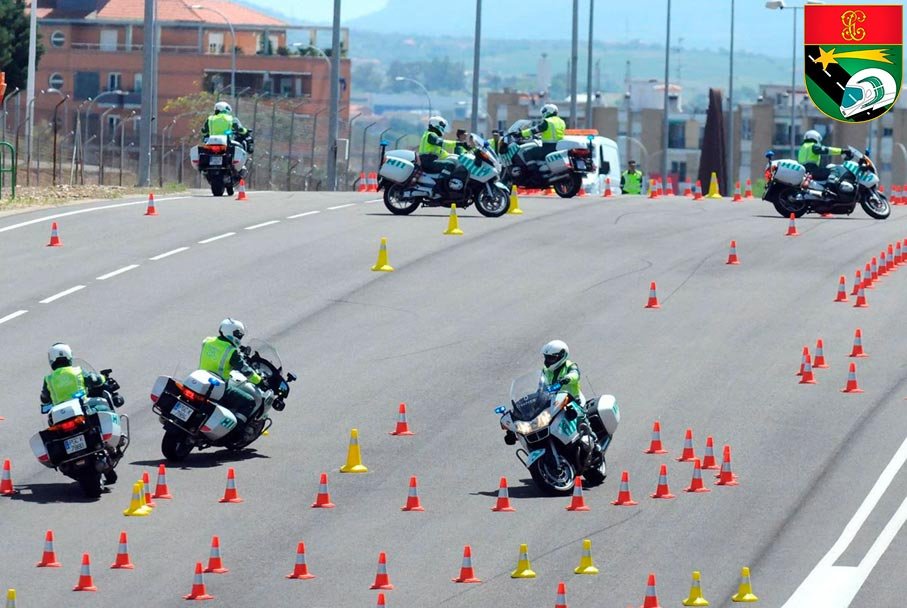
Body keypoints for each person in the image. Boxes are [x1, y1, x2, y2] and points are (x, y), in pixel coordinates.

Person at [198, 318, 267, 424]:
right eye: (239, 335)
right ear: (232, 333)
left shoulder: (207, 341)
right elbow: (246, 370)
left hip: (200, 379)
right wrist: (260, 381)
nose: (240, 338)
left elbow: (216, 355)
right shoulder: (231, 351)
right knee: (249, 402)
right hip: (218, 387)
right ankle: (236, 432)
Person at [40, 343, 107, 414]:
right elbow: (95, 380)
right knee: (104, 407)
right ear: (69, 355)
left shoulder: (48, 379)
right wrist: (104, 377)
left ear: (51, 359)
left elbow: (45, 398)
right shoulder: (78, 371)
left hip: (60, 413)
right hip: (82, 408)